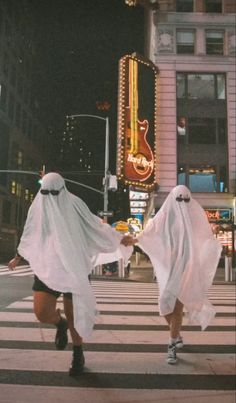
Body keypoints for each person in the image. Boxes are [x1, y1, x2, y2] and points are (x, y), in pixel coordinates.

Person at [8, 172, 133, 376]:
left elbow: (95, 226)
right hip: (47, 266)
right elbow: (30, 232)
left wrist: (118, 238)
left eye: (53, 193)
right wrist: (18, 256)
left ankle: (77, 352)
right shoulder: (37, 206)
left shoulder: (75, 205)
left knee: (75, 314)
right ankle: (60, 323)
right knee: (41, 312)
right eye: (45, 192)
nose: (50, 198)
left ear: (62, 190)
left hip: (75, 266)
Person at [127, 185, 222, 364]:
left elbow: (205, 238)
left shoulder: (196, 216)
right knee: (164, 305)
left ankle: (171, 345)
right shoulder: (164, 217)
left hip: (187, 270)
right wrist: (135, 239)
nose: (183, 203)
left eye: (186, 199)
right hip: (168, 270)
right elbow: (149, 233)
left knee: (177, 307)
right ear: (172, 199)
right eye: (179, 199)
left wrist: (213, 246)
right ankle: (176, 334)